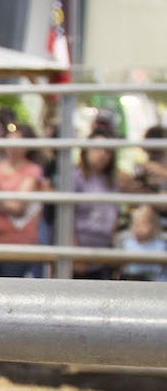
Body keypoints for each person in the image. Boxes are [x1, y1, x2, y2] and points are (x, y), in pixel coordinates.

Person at [0, 121, 46, 278]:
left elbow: (17, 207)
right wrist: (3, 203)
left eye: (18, 142)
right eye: (10, 140)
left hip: (17, 245)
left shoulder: (32, 170)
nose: (12, 146)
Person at [74, 119, 126, 279]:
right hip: (79, 254)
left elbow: (114, 215)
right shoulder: (76, 178)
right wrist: (74, 254)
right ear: (86, 151)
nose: (102, 154)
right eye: (97, 149)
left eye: (107, 151)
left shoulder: (112, 181)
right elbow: (66, 220)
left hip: (103, 255)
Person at [117, 204, 167, 281]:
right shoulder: (127, 244)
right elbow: (123, 267)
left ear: (153, 225)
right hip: (132, 279)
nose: (139, 229)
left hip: (155, 280)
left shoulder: (161, 245)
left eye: (143, 224)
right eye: (136, 225)